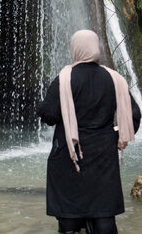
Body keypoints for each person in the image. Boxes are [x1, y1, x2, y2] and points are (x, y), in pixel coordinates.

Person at [37, 30, 141, 234]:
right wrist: (115, 134)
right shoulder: (115, 79)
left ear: (75, 48)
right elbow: (134, 115)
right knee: (103, 213)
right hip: (104, 155)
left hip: (70, 155)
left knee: (70, 215)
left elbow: (47, 114)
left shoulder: (65, 79)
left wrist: (67, 114)